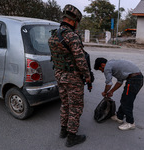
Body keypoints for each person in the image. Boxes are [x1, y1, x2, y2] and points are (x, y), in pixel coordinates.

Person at [48, 4, 91, 147]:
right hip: (73, 78)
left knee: (65, 104)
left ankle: (63, 130)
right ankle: (72, 137)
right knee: (76, 106)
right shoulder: (72, 36)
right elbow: (81, 61)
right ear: (74, 20)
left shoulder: (54, 35)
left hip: (60, 75)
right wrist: (87, 76)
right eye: (77, 22)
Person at [94, 58, 144, 130]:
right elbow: (120, 82)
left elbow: (109, 83)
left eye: (100, 69)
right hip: (136, 79)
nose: (102, 72)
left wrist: (105, 92)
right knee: (124, 99)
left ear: (102, 65)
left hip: (134, 80)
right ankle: (119, 116)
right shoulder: (113, 64)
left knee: (127, 101)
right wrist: (111, 91)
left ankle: (130, 123)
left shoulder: (107, 67)